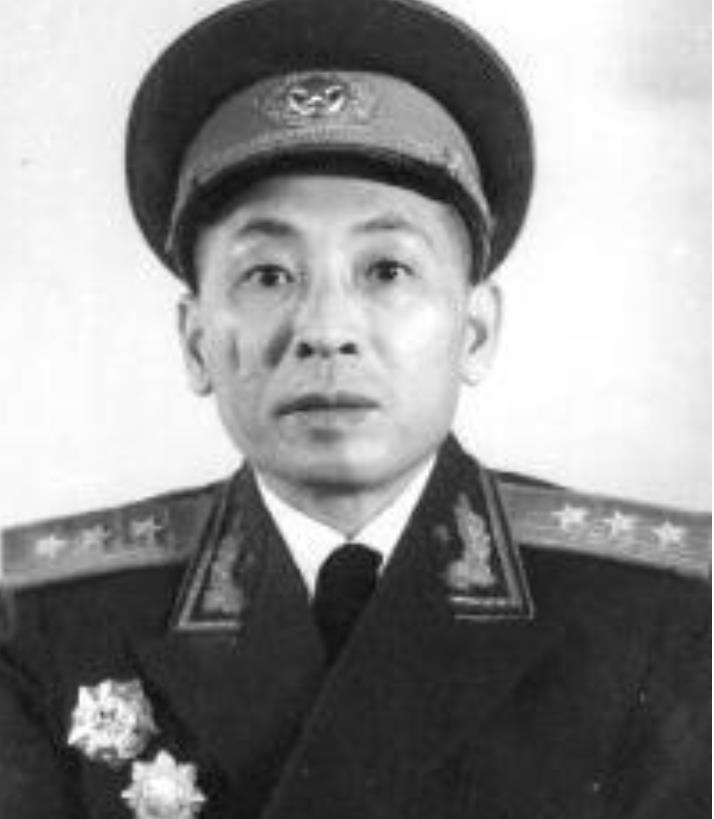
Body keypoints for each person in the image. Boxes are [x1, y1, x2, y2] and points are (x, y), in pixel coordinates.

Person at [0, 0, 709, 816]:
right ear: (196, 343)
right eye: (269, 275)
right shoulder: (42, 623)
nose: (326, 329)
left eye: (387, 271)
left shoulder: (659, 613)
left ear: (475, 331)